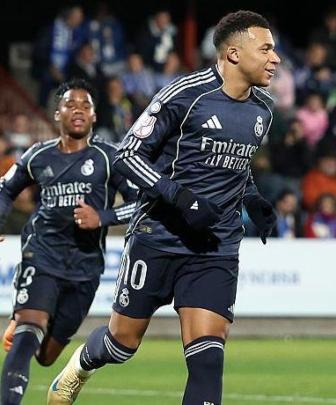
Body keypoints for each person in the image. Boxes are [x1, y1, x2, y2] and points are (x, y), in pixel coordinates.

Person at [47, 10, 280, 405]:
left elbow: (234, 166)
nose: (276, 58)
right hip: (158, 236)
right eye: (266, 49)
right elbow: (127, 156)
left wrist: (253, 199)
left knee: (208, 358)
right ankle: (81, 366)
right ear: (234, 54)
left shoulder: (264, 109)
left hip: (216, 246)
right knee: (122, 343)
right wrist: (181, 198)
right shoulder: (185, 95)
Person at [0, 78, 137, 405]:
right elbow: (5, 189)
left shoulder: (109, 157)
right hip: (41, 255)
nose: (78, 110)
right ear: (57, 114)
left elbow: (142, 203)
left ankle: (29, 325)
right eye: (70, 105)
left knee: (46, 356)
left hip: (85, 267)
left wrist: (102, 217)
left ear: (94, 116)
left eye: (85, 105)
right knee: (28, 334)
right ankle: (24, 320)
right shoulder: (38, 155)